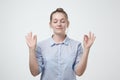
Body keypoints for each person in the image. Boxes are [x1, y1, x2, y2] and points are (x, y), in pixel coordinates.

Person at [25, 8, 96, 80]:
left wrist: (87, 49)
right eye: (55, 21)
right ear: (50, 24)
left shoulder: (76, 45)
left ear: (67, 24)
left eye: (62, 21)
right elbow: (34, 73)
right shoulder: (41, 46)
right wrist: (31, 50)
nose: (59, 24)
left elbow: (79, 72)